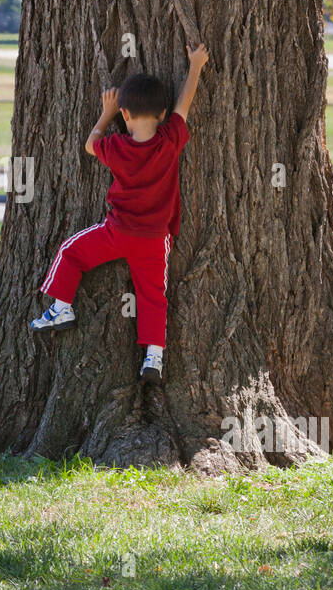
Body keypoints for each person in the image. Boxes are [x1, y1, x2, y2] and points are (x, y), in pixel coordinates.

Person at [31, 43, 210, 383]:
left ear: (125, 114)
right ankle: (153, 357)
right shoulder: (171, 139)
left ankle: (61, 308)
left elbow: (89, 143)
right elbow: (184, 103)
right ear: (161, 114)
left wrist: (106, 113)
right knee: (153, 296)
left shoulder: (115, 147)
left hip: (116, 234)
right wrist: (196, 65)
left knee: (71, 251)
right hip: (155, 240)